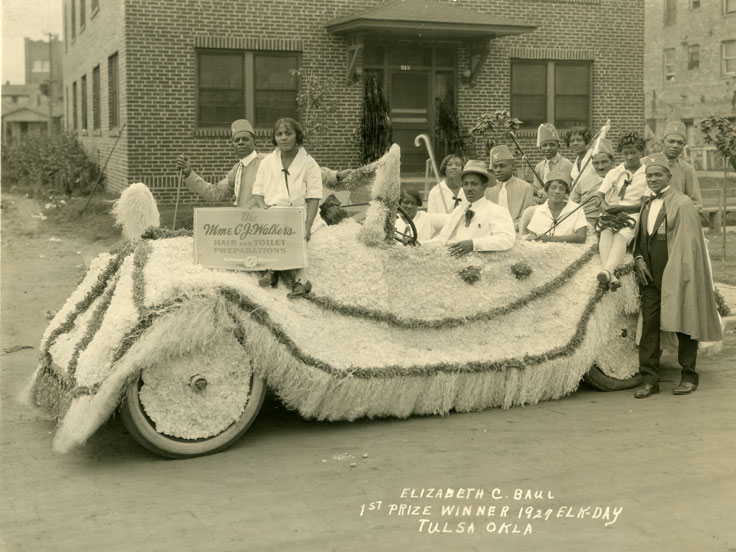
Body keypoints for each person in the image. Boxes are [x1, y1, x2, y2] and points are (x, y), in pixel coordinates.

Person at [631, 152, 722, 398]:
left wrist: (677, 272)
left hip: (678, 273)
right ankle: (650, 379)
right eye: (649, 175)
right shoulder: (646, 203)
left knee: (684, 322)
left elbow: (689, 244)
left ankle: (689, 376)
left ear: (668, 176)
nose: (653, 179)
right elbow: (640, 238)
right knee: (649, 326)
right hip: (650, 276)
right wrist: (638, 258)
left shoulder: (682, 203)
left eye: (658, 175)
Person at [251, 118, 322, 298]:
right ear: (274, 138)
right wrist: (263, 209)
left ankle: (302, 280)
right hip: (274, 212)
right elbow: (258, 192)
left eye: (288, 133)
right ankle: (272, 270)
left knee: (298, 235)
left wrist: (307, 224)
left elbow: (313, 197)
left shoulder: (309, 164)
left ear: (297, 136)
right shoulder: (267, 162)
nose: (283, 138)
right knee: (270, 231)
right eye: (279, 134)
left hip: (301, 211)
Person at [425, 160, 515, 256]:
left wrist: (473, 244)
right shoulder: (459, 210)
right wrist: (417, 244)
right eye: (465, 184)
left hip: (476, 262)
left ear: (484, 187)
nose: (468, 188)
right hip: (449, 258)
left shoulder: (496, 210)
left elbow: (507, 239)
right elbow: (441, 240)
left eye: (474, 184)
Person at [595, 133, 649, 291]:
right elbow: (599, 197)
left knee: (621, 235)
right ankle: (610, 275)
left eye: (633, 152)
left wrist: (622, 210)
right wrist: (607, 211)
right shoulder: (614, 172)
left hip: (631, 213)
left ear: (641, 152)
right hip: (611, 212)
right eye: (625, 153)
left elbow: (644, 203)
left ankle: (606, 271)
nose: (629, 156)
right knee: (606, 231)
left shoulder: (646, 174)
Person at [176, 119, 263, 207]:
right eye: (237, 140)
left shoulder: (265, 162)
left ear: (255, 141)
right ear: (233, 144)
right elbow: (215, 193)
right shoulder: (236, 170)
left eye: (245, 139)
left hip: (266, 218)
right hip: (243, 219)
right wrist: (189, 173)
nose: (240, 143)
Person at [524, 167, 588, 244]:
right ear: (547, 190)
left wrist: (550, 239)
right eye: (553, 187)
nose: (557, 191)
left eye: (562, 189)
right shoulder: (539, 210)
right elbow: (532, 234)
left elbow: (581, 237)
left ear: (566, 192)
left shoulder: (576, 209)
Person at [485, 145, 535, 231]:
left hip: (516, 231)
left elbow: (526, 217)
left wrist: (508, 228)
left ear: (512, 166)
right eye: (495, 166)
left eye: (502, 166)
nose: (498, 170)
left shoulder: (525, 188)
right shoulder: (488, 189)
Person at [660, 120, 703, 212]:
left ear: (684, 145)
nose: (675, 146)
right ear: (662, 142)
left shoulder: (687, 169)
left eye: (679, 143)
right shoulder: (646, 163)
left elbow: (697, 204)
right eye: (671, 141)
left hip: (677, 218)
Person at [568, 127, 604, 226]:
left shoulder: (594, 159)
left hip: (593, 208)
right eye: (572, 141)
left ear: (587, 141)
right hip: (577, 206)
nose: (575, 143)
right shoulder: (575, 164)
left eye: (579, 140)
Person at [534, 123, 573, 195]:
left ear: (558, 146)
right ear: (540, 147)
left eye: (552, 144)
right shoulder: (539, 167)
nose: (548, 148)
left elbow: (566, 191)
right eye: (544, 145)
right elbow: (537, 189)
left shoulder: (566, 165)